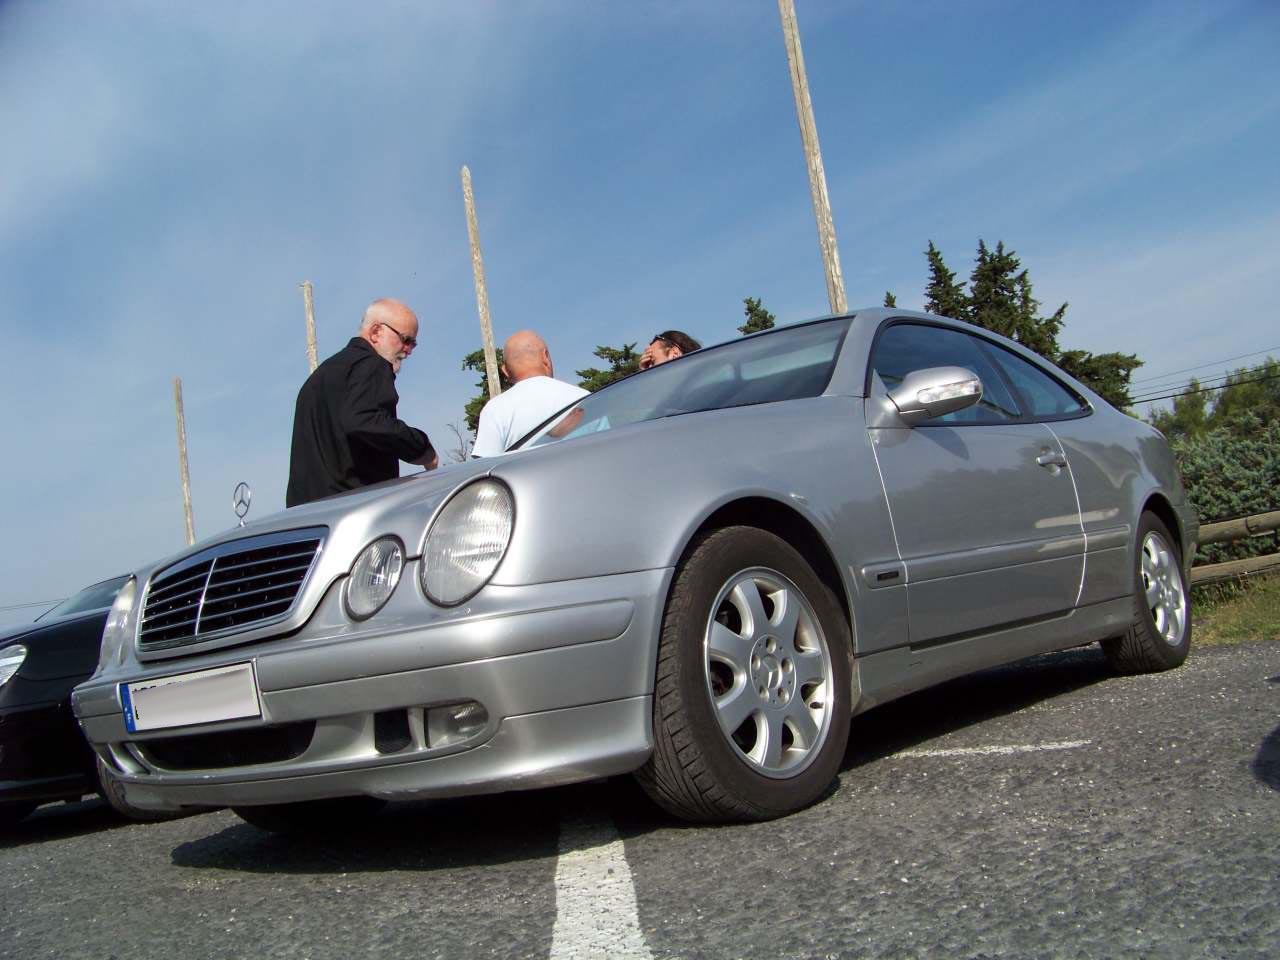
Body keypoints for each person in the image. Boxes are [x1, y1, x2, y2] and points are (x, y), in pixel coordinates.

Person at [286, 298, 438, 507]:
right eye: (405, 339)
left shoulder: (320, 377)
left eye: (413, 343)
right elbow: (364, 420)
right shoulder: (372, 364)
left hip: (304, 519)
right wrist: (421, 447)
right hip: (351, 511)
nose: (409, 350)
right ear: (375, 332)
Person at [472, 331, 589, 456]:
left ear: (505, 371)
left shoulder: (495, 409)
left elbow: (485, 466)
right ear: (545, 356)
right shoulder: (585, 398)